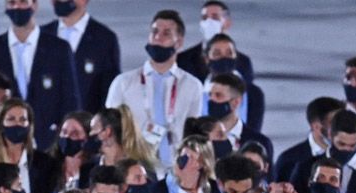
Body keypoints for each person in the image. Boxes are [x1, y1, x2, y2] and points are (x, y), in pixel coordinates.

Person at [104, 10, 203, 177]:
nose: (158, 37)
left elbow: (193, 133)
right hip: (134, 168)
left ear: (179, 42)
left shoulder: (192, 86)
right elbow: (109, 130)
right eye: (155, 32)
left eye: (166, 33)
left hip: (176, 168)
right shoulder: (123, 83)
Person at [0, 0, 81, 149]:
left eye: (22, 2)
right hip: (4, 144)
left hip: (49, 144)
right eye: (12, 3)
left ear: (34, 5)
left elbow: (70, 100)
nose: (17, 7)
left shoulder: (59, 49)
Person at [40, 0, 121, 115]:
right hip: (46, 127)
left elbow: (110, 92)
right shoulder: (41, 36)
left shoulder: (104, 39)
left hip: (89, 125)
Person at [196, 34, 265, 134]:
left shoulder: (253, 94)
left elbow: (254, 133)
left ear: (235, 57)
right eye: (217, 54)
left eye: (229, 53)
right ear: (207, 59)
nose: (224, 58)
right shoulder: (196, 92)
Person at [177, 1, 255, 83]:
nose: (209, 22)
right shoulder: (183, 59)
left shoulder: (243, 62)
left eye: (215, 17)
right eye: (205, 18)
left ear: (227, 23)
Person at [272, 96, 342, 185]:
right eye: (335, 123)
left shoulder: (350, 154)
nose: (342, 127)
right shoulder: (289, 160)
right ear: (317, 127)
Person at [205, 73, 273, 164]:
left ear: (236, 102)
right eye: (210, 95)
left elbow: (268, 177)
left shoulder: (260, 142)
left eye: (218, 95)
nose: (211, 100)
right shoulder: (199, 138)